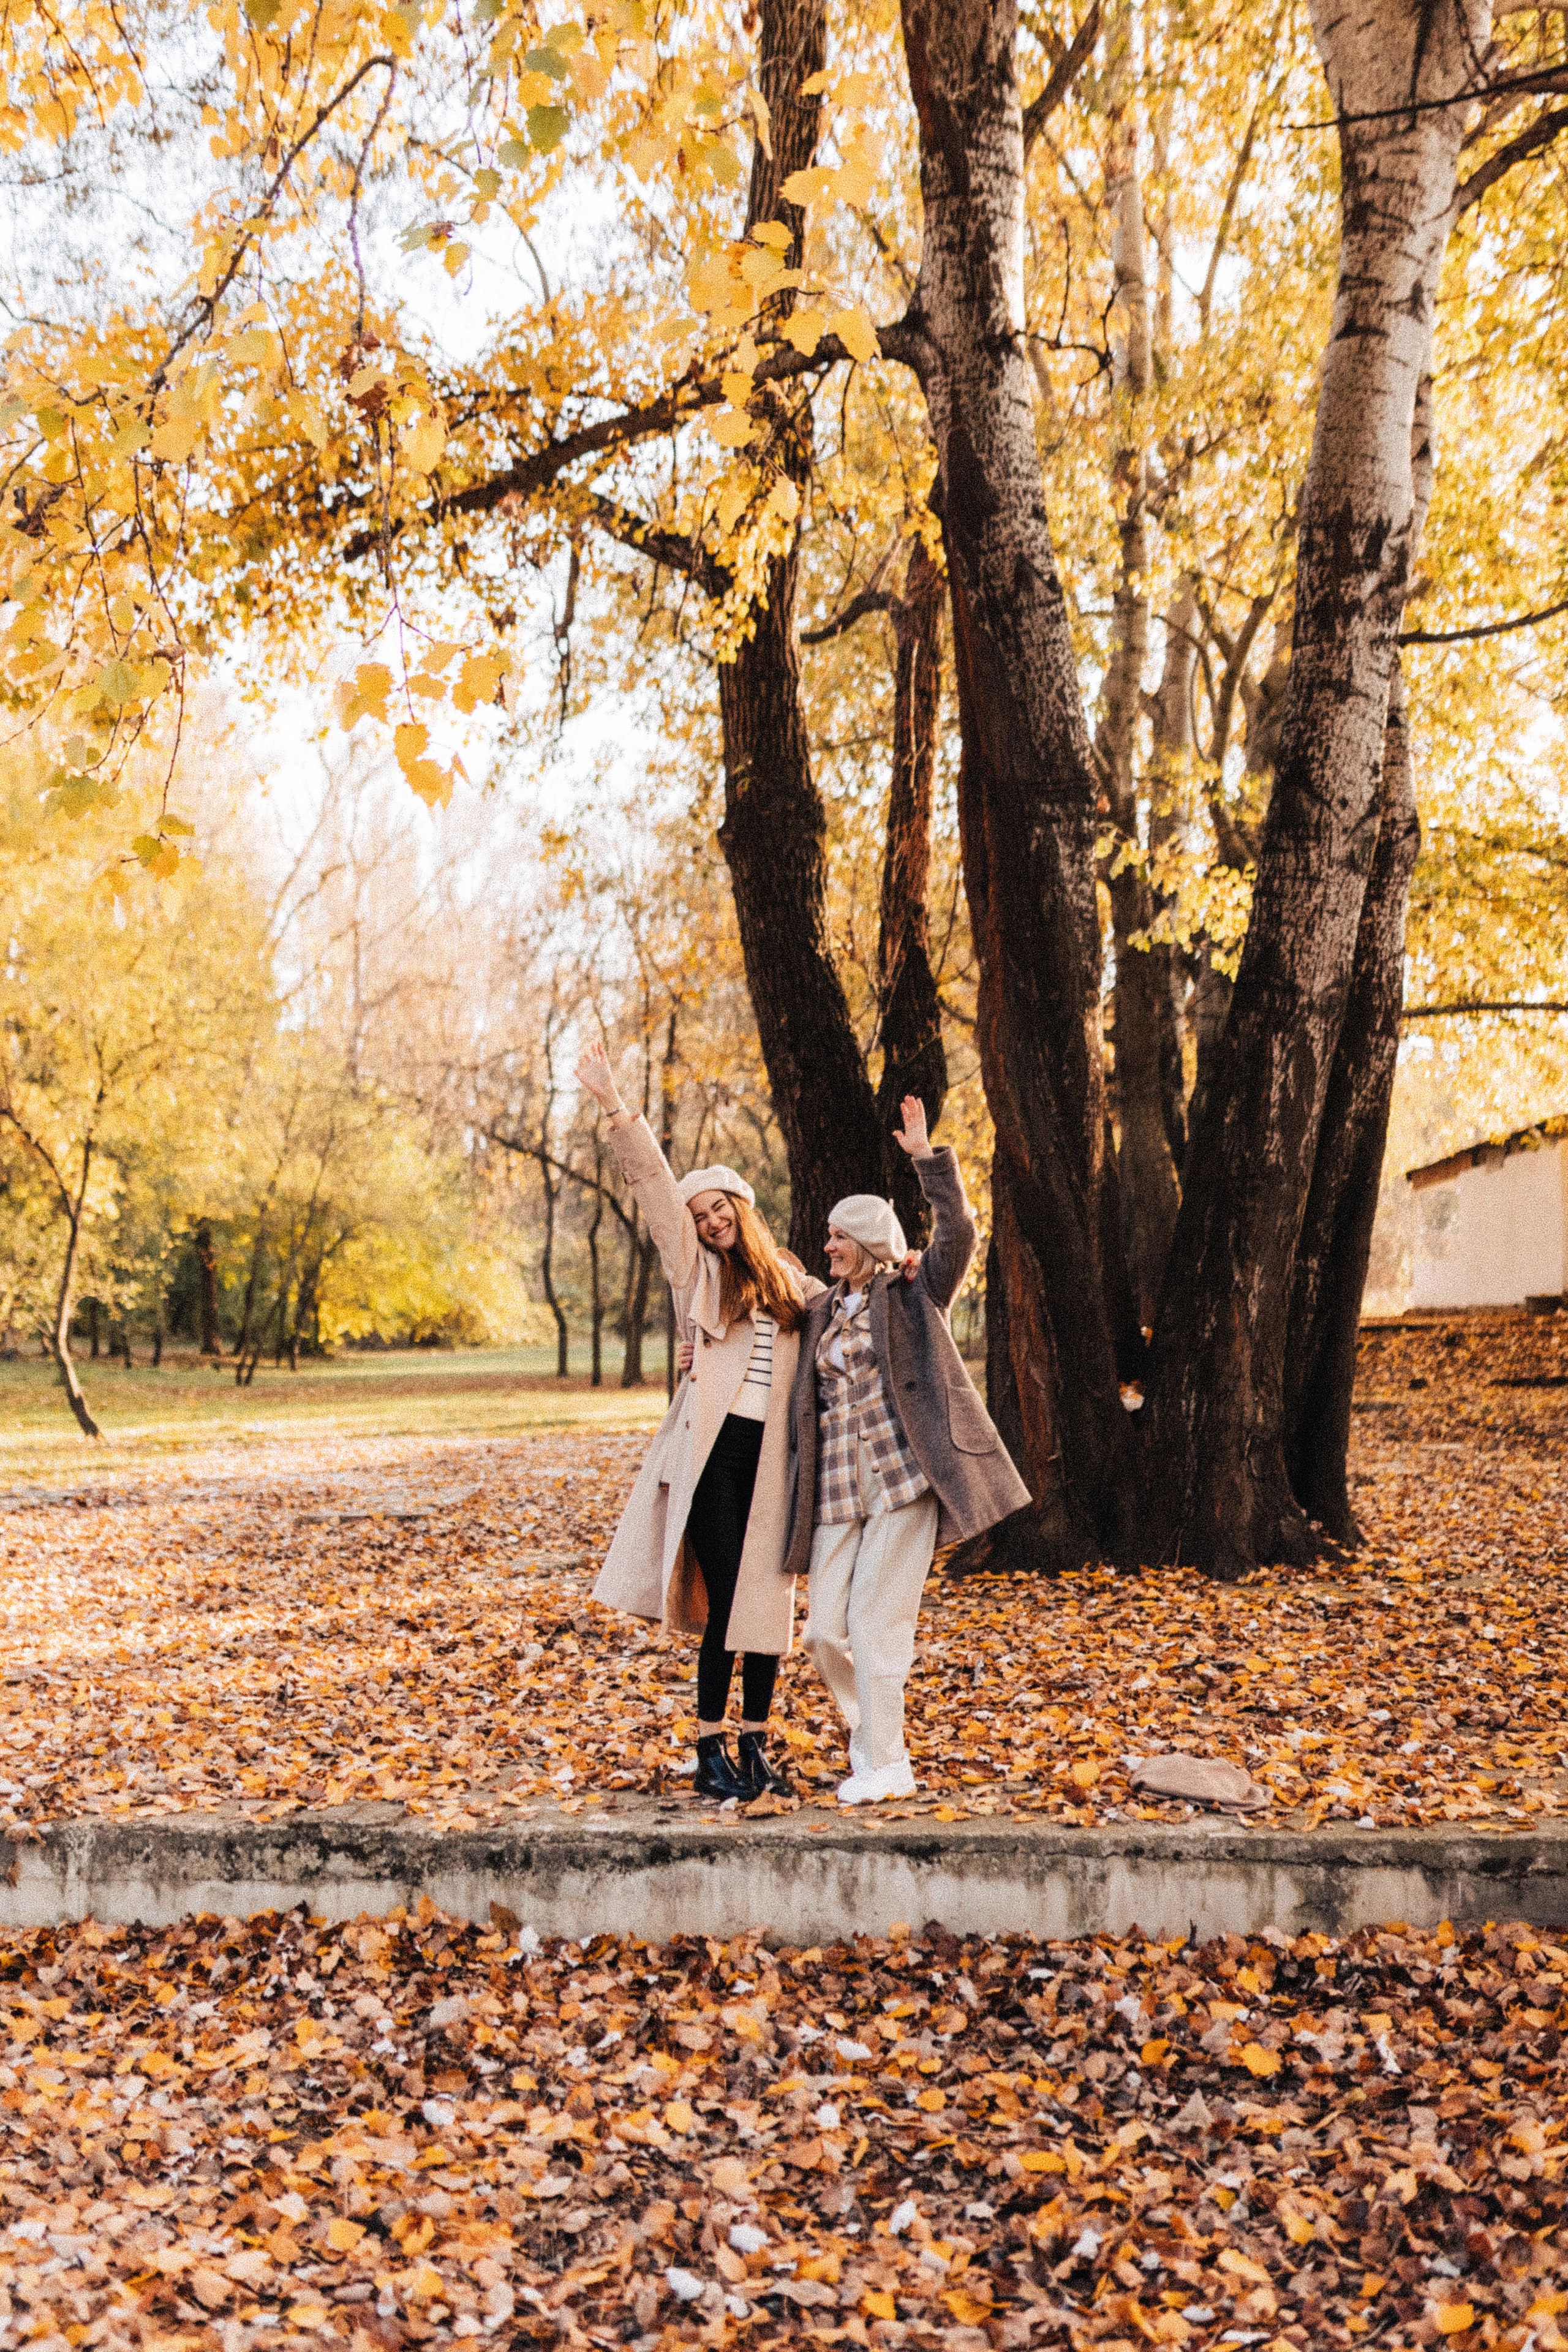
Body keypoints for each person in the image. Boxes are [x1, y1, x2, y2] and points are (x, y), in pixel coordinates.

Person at [576, 1040, 821, 1801]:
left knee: (764, 1607)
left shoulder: (794, 1283)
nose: (711, 1222)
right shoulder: (698, 1273)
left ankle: (755, 1747)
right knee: (724, 1600)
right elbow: (654, 1188)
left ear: (742, 1209)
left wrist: (900, 1264)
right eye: (701, 1215)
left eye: (720, 1210)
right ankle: (709, 1747)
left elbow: (857, 1304)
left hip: (772, 1461)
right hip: (714, 1457)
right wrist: (615, 1105)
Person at [785, 1096, 1031, 1804]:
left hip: (901, 1481)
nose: (828, 1246)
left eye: (838, 1236)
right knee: (822, 1633)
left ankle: (887, 1763)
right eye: (828, 1236)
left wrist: (927, 1160)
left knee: (876, 1623)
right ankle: (873, 1736)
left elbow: (959, 1232)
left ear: (867, 1243)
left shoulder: (914, 1293)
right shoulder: (820, 1308)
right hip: (837, 1488)